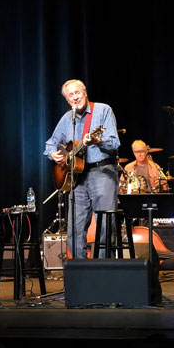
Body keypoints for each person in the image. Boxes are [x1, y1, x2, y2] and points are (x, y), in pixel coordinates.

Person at [44, 79, 120, 259]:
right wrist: (53, 154)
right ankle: (81, 269)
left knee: (105, 226)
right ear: (67, 100)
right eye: (70, 95)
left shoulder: (103, 110)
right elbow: (50, 144)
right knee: (74, 229)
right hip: (77, 178)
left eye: (77, 93)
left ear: (85, 93)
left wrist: (97, 140)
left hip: (102, 172)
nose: (75, 97)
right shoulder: (66, 119)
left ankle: (104, 269)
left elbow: (114, 143)